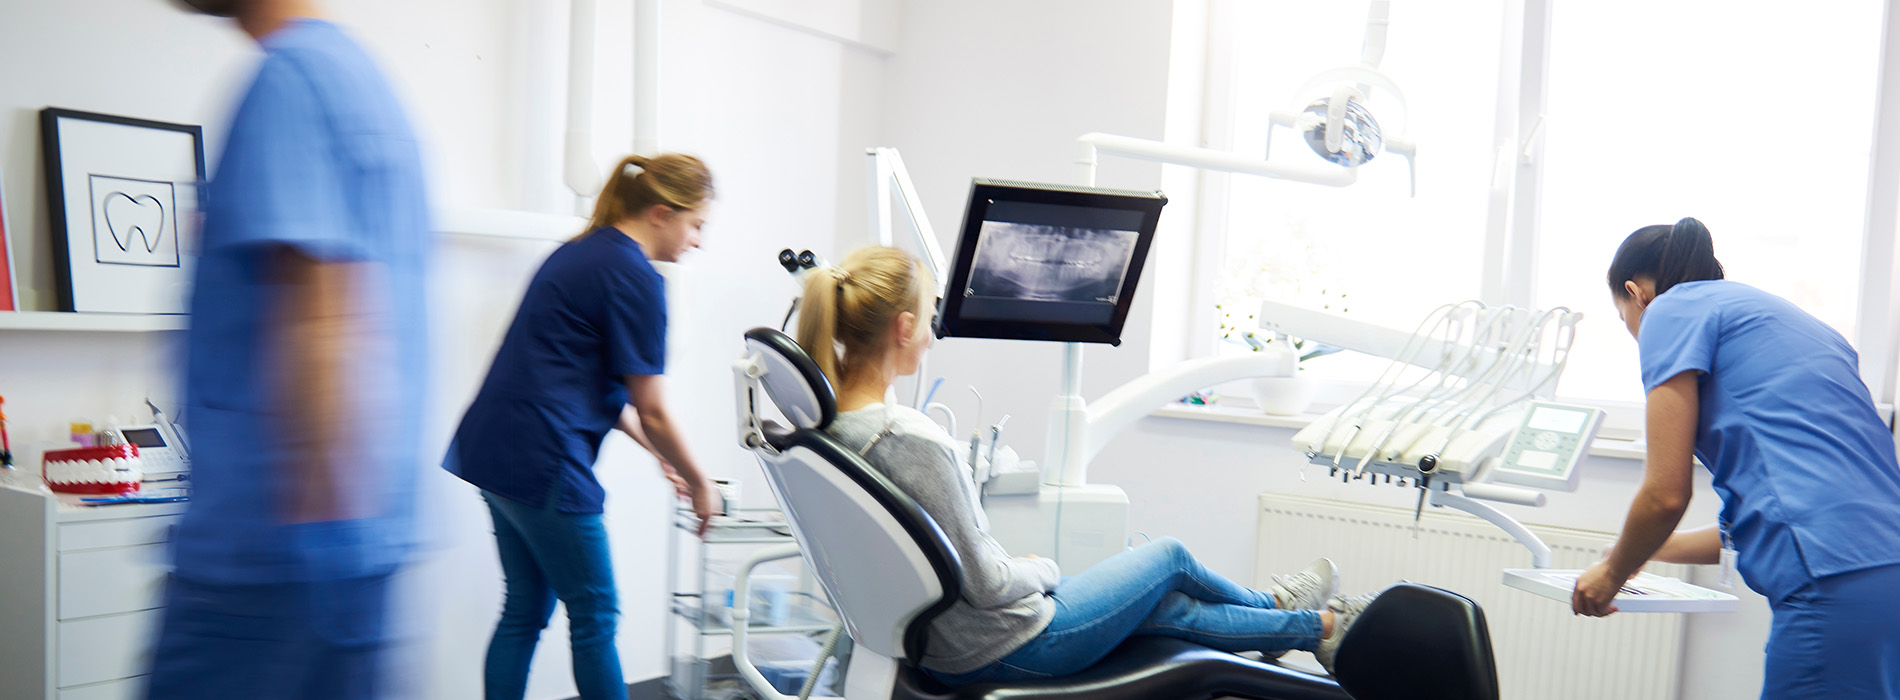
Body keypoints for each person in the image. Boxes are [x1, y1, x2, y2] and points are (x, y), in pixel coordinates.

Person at [795, 246, 1385, 685]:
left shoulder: (833, 431)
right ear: (902, 328)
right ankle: (1282, 607)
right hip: (1011, 641)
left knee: (1167, 606)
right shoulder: (909, 439)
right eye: (927, 319)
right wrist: (1042, 568)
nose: (931, 335)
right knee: (1170, 558)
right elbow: (989, 582)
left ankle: (1319, 628)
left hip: (957, 637)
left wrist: (1013, 570)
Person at [149, 1, 429, 699]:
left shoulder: (290, 81)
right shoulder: (356, 77)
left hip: (269, 563)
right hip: (339, 549)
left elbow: (326, 321)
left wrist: (319, 562)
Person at [1574, 217, 1900, 698]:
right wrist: (1640, 551)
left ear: (1636, 292)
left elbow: (1666, 494)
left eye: (1629, 324)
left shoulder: (1669, 310)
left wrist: (1611, 575)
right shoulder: (1791, 322)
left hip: (1827, 579)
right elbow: (1771, 520)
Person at [443, 153, 723, 700]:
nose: (698, 242)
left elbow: (590, 385)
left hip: (493, 450)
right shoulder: (635, 274)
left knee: (524, 607)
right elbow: (654, 408)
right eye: (697, 226)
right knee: (596, 613)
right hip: (545, 459)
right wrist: (702, 481)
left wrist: (658, 454)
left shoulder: (581, 252)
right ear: (662, 213)